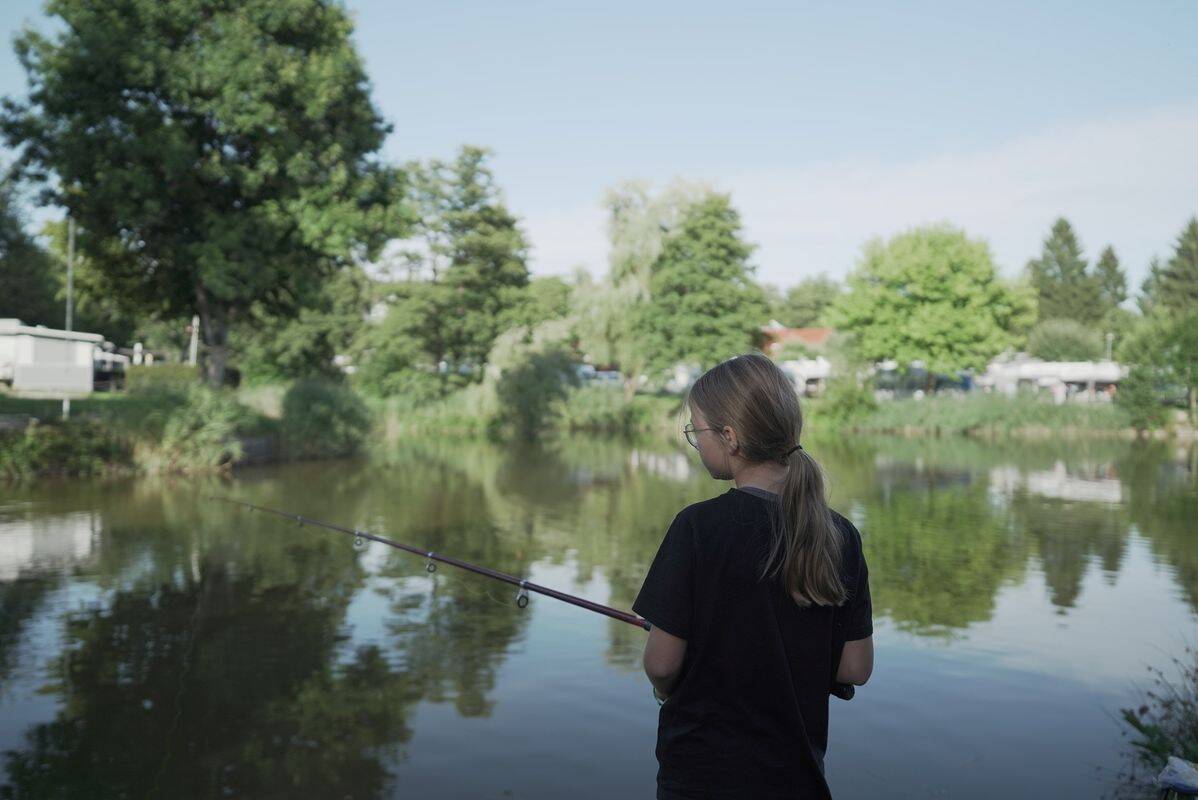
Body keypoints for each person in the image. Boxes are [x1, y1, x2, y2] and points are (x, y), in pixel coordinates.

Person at [632, 352, 874, 800]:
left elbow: (661, 663)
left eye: (696, 431)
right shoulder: (839, 533)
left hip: (701, 778)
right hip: (796, 779)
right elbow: (854, 668)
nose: (695, 441)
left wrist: (664, 690)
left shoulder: (698, 528)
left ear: (730, 437)